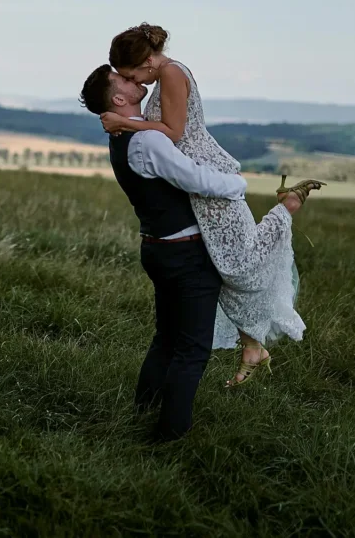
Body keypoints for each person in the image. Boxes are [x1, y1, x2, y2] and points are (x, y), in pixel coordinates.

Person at [79, 65, 308, 441]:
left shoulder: (122, 138)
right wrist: (238, 183)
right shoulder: (147, 141)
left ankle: (144, 410)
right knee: (192, 349)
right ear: (119, 98)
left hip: (157, 248)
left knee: (167, 338)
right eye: (123, 79)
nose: (133, 78)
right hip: (184, 254)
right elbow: (198, 180)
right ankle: (170, 434)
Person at [100, 24, 324, 386]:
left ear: (146, 62)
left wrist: (124, 121)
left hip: (205, 179)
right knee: (220, 264)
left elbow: (173, 133)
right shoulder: (163, 75)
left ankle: (287, 208)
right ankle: (252, 347)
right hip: (195, 183)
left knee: (237, 263)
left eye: (130, 75)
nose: (132, 82)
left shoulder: (170, 73)